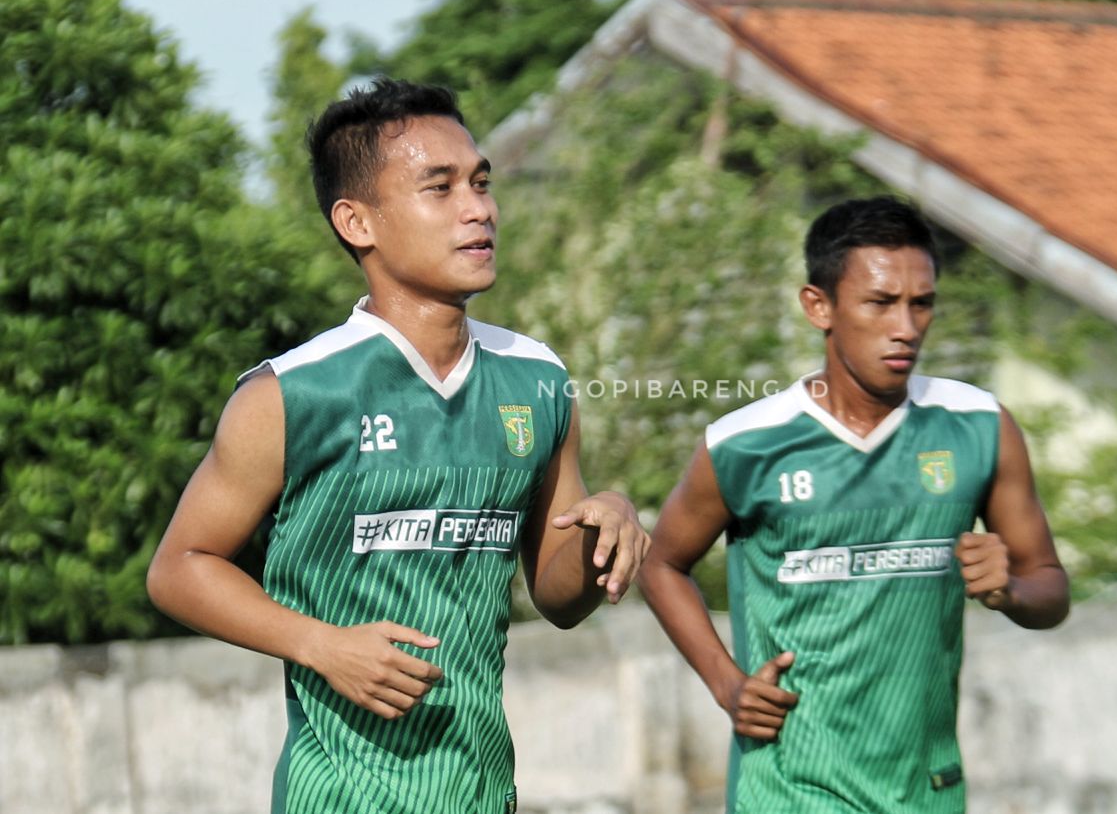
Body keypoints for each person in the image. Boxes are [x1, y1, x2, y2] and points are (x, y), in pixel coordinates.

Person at [146, 79, 650, 814]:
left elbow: (558, 597)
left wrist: (608, 524)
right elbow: (178, 569)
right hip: (341, 796)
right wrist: (320, 645)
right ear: (357, 222)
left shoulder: (538, 380)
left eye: (480, 183)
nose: (478, 208)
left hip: (486, 793)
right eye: (438, 188)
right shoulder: (290, 395)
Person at [639, 196, 1069, 813]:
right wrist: (726, 683)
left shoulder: (978, 427)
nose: (906, 327)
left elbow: (1048, 586)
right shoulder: (747, 444)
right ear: (820, 306)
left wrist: (1011, 592)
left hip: (927, 789)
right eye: (881, 303)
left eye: (922, 304)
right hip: (790, 789)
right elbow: (661, 564)